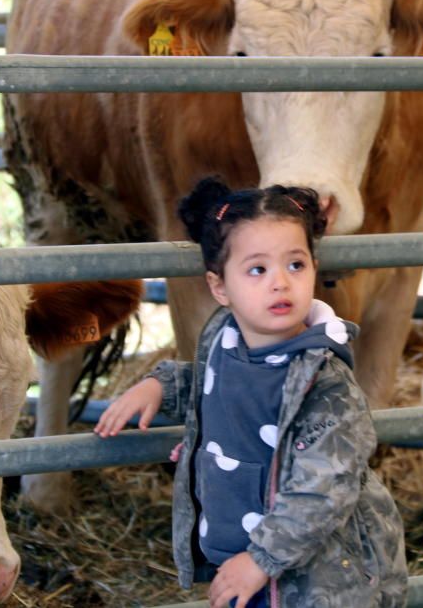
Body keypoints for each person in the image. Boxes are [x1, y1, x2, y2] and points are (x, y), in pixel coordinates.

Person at [95, 176, 407, 608]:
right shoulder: (224, 341)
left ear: (315, 270)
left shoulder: (324, 380)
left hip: (320, 581)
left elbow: (324, 489)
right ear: (219, 287)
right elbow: (215, 386)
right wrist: (161, 385)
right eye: (258, 269)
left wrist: (261, 559)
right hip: (243, 563)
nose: (280, 282)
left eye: (295, 265)